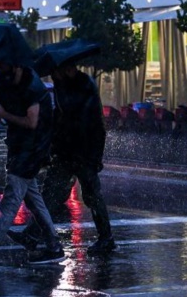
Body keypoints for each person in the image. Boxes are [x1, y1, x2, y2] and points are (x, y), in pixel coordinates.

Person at [0, 59, 66, 267]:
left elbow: (31, 122)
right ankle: (54, 247)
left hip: (32, 150)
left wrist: (4, 114)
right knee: (34, 201)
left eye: (2, 62)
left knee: (11, 200)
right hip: (19, 147)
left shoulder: (32, 86)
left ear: (15, 62)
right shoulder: (4, 79)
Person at [7, 62, 117, 256]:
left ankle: (106, 238)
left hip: (84, 151)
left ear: (66, 68)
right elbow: (60, 117)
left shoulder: (84, 85)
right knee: (51, 193)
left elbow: (88, 120)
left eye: (54, 71)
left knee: (92, 195)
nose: (53, 75)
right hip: (66, 150)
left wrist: (95, 156)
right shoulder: (63, 84)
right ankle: (32, 235)